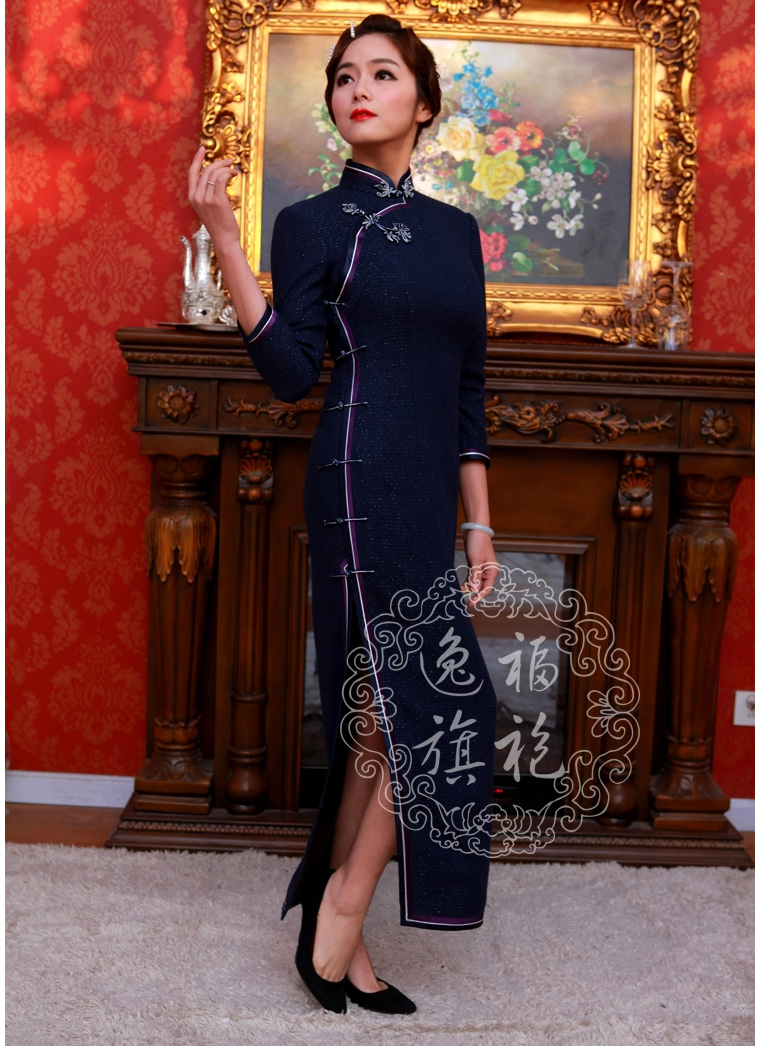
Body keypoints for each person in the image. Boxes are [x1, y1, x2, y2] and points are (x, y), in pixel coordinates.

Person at [188, 13, 499, 1017]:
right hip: (358, 480)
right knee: (442, 706)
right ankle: (341, 906)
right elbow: (289, 372)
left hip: (429, 489)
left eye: (381, 73)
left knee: (386, 712)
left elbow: (468, 389)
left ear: (423, 99)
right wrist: (227, 240)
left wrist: (480, 522)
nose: (357, 89)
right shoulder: (314, 222)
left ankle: (339, 923)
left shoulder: (456, 233)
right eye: (342, 76)